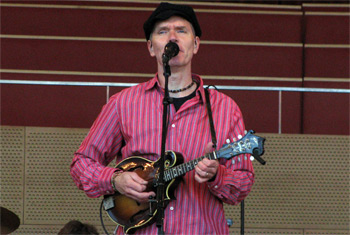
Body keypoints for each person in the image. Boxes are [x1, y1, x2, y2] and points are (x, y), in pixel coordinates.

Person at [70, 2, 254, 234]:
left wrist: (216, 174)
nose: (173, 37)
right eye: (163, 31)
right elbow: (81, 163)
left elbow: (243, 183)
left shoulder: (225, 108)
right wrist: (115, 180)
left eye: (182, 30)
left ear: (195, 44)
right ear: (150, 47)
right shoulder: (123, 103)